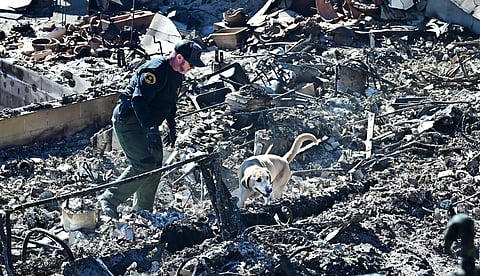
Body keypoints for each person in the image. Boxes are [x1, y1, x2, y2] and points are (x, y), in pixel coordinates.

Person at [98, 39, 206, 219]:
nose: (192, 69)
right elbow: (138, 101)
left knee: (155, 164)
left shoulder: (177, 75)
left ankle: (142, 210)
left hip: (148, 124)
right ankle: (108, 200)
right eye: (190, 64)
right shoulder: (154, 71)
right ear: (179, 58)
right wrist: (151, 130)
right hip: (129, 122)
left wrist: (171, 124)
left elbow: (170, 102)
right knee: (143, 163)